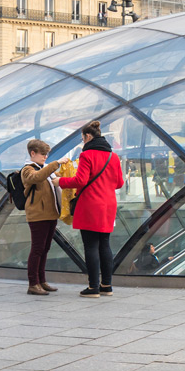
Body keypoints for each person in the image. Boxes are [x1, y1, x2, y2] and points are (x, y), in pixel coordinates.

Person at [56, 120, 124, 297]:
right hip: (108, 205)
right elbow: (119, 183)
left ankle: (93, 287)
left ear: (87, 136)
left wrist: (60, 182)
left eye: (82, 138)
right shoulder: (113, 156)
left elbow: (80, 181)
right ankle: (106, 286)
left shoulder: (87, 155)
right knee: (105, 244)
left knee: (91, 246)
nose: (82, 142)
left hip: (91, 204)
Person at [21, 139, 62, 295]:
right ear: (33, 153)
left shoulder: (45, 168)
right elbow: (36, 177)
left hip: (50, 214)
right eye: (43, 154)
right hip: (38, 215)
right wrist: (55, 163)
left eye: (47, 154)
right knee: (37, 249)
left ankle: (41, 280)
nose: (45, 157)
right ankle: (33, 283)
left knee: (45, 249)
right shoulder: (28, 169)